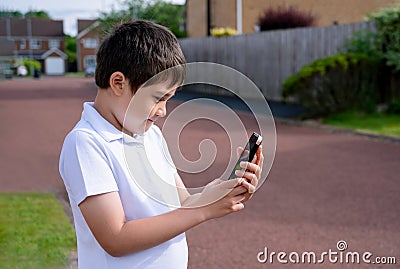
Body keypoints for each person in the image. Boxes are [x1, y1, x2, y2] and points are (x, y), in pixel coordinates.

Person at [59, 20, 263, 269]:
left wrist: (221, 192)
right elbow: (115, 238)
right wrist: (205, 210)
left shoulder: (152, 136)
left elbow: (183, 205)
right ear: (118, 83)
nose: (163, 111)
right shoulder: (86, 143)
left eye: (169, 99)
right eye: (158, 98)